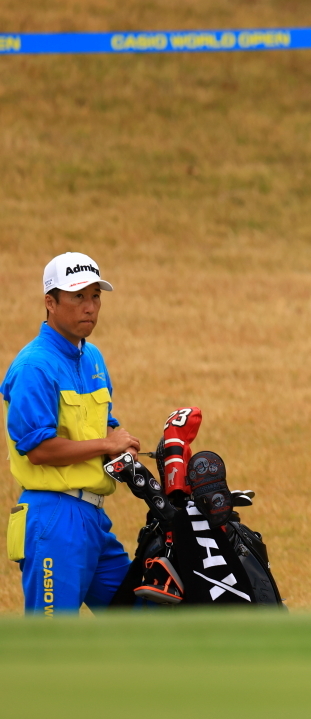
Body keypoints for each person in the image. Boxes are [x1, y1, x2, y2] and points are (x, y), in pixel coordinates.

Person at [3, 252, 140, 615]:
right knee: (51, 643)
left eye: (95, 296)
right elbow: (40, 449)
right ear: (50, 302)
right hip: (53, 519)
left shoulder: (92, 356)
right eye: (78, 296)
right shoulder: (34, 366)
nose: (90, 306)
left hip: (93, 519)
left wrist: (119, 436)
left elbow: (104, 418)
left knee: (141, 621)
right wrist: (107, 444)